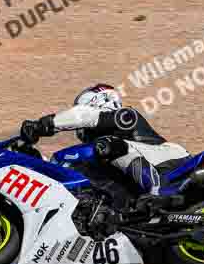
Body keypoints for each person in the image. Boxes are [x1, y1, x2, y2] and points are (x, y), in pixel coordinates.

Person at [20, 84, 191, 197]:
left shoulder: (125, 116)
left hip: (170, 161)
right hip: (135, 189)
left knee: (107, 144)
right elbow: (62, 174)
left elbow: (86, 116)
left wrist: (42, 126)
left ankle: (157, 191)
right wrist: (30, 158)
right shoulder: (101, 152)